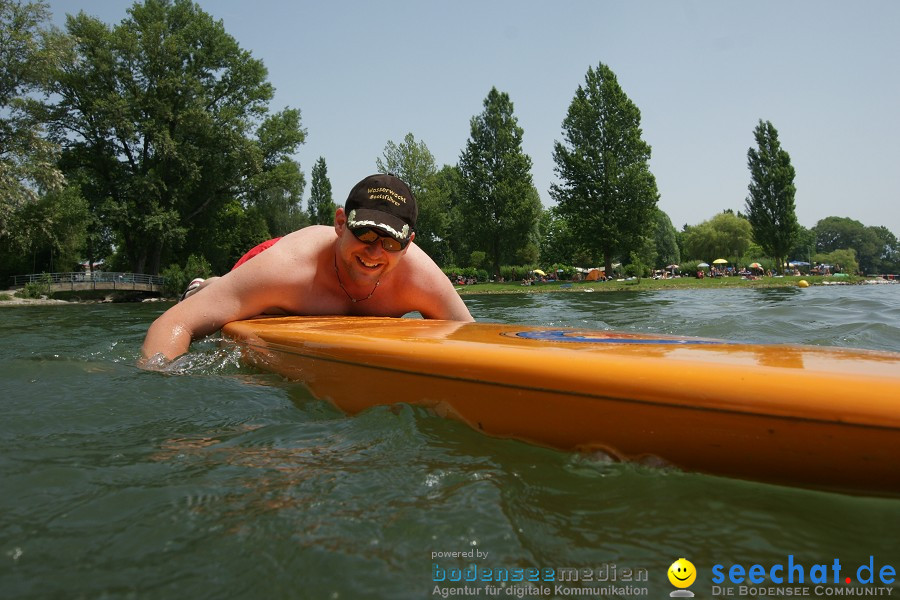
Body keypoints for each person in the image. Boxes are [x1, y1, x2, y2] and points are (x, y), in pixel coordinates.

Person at [141, 173, 474, 364]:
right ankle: (210, 285)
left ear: (409, 242)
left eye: (390, 242)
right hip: (270, 260)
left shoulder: (422, 278)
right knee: (224, 316)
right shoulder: (284, 269)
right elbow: (173, 322)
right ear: (341, 223)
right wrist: (163, 391)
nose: (375, 251)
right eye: (366, 232)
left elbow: (471, 338)